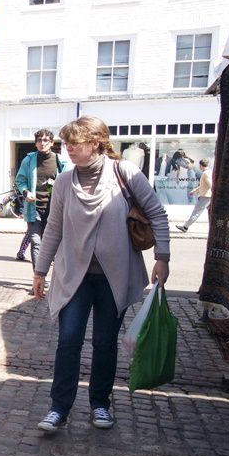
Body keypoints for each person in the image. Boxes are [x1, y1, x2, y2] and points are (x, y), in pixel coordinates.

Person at [33, 116, 170, 433]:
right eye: (65, 143)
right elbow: (53, 228)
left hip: (114, 276)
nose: (68, 149)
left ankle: (100, 404)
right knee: (68, 341)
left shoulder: (126, 173)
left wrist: (162, 258)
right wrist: (41, 270)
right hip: (74, 276)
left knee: (105, 342)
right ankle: (59, 408)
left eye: (74, 143)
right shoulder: (65, 182)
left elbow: (157, 214)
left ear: (95, 143)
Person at [15, 129, 70, 275]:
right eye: (39, 140)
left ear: (52, 142)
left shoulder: (61, 161)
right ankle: (38, 278)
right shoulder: (28, 160)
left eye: (46, 140)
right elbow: (20, 181)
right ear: (35, 143)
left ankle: (57, 280)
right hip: (34, 208)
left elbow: (69, 183)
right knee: (36, 242)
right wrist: (26, 192)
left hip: (54, 210)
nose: (42, 143)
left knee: (54, 245)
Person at [176, 158, 211, 232]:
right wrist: (195, 190)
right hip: (207, 196)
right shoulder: (209, 172)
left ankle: (185, 227)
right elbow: (204, 185)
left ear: (201, 166)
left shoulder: (205, 173)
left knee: (196, 212)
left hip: (205, 196)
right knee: (210, 213)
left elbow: (210, 185)